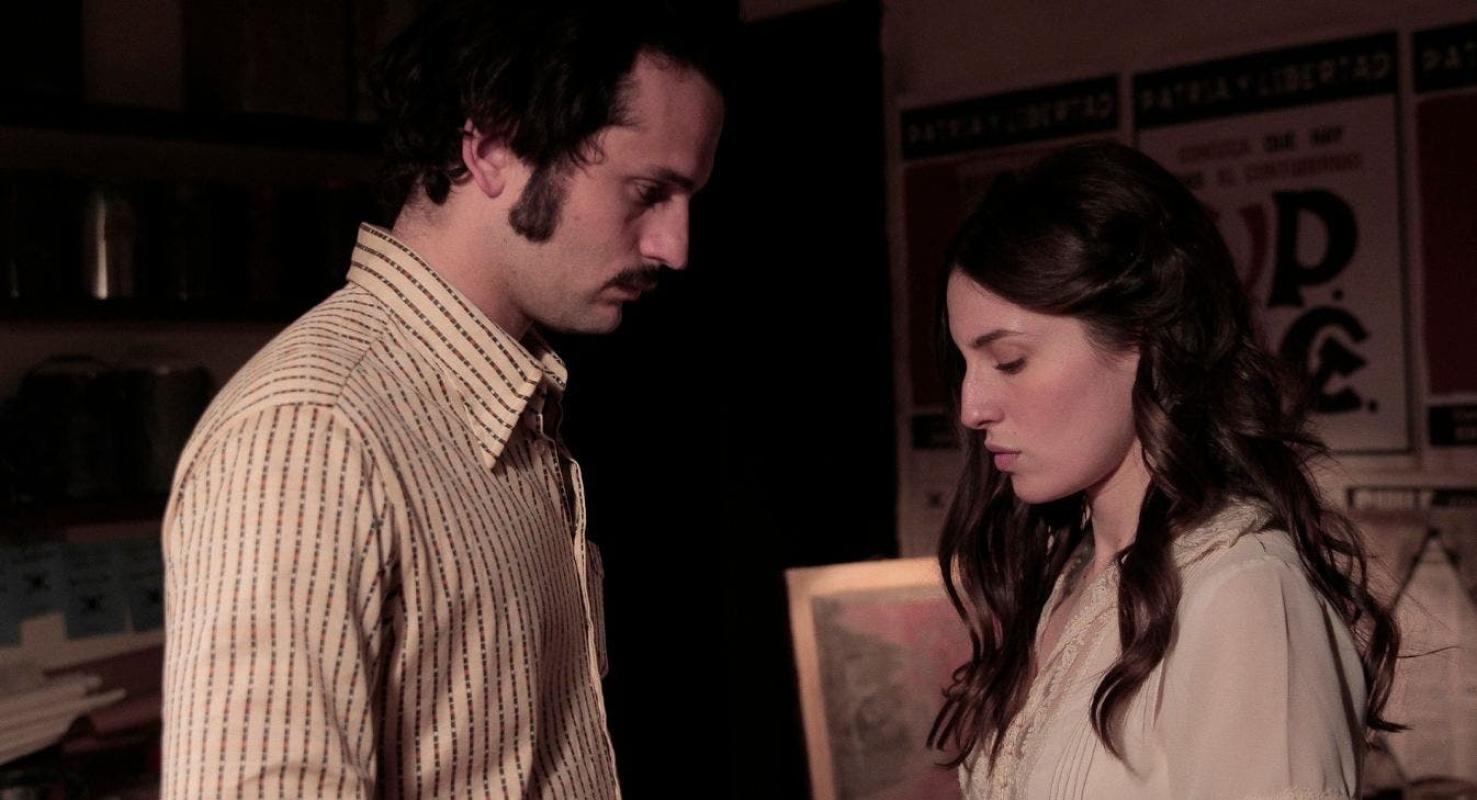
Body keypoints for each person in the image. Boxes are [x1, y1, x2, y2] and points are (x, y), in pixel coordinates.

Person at [159, 1, 724, 797]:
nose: (675, 246)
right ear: (491, 149)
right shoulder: (312, 435)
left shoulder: (512, 407)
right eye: (647, 190)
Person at [927, 141, 1399, 799]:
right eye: (965, 366)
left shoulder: (1245, 594)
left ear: (1143, 341)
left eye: (1009, 361)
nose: (971, 407)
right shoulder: (1068, 577)